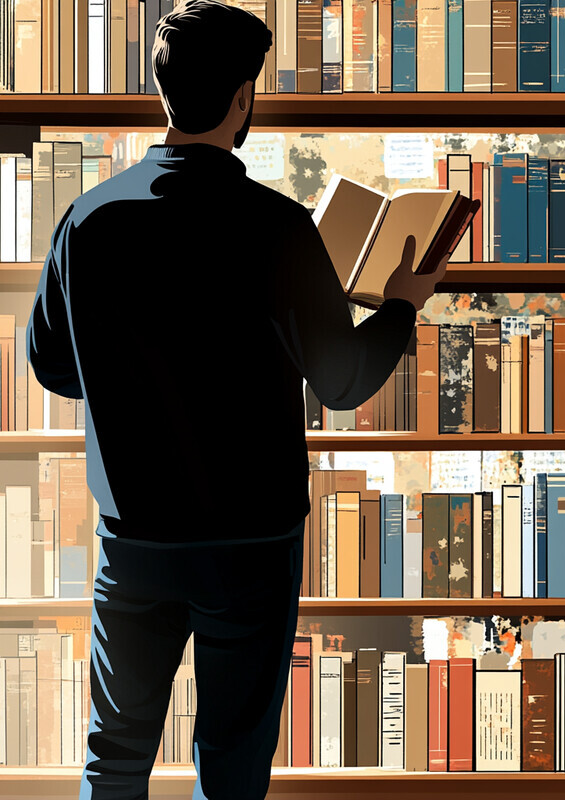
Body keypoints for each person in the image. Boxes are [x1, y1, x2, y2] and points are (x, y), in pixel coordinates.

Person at [26, 1, 448, 798]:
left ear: (164, 93)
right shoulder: (279, 228)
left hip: (135, 540)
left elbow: (51, 365)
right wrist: (399, 304)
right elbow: (343, 381)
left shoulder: (88, 221)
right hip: (252, 544)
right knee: (232, 762)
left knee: (114, 755)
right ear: (243, 99)